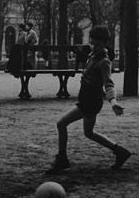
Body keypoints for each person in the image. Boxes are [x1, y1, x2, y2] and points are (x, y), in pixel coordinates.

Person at [47, 25, 130, 174]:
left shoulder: (104, 62)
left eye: (97, 43)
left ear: (105, 42)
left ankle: (62, 159)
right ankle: (120, 152)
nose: (94, 46)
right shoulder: (93, 55)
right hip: (87, 98)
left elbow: (109, 84)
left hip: (91, 100)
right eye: (93, 43)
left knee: (61, 123)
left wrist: (114, 102)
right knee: (89, 133)